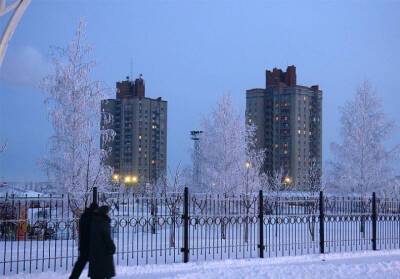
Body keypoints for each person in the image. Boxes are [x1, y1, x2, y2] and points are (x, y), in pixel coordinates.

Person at [69, 202, 98, 279]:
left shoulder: (84, 216)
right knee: (95, 264)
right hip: (90, 246)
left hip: (83, 245)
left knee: (80, 264)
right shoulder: (92, 218)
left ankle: (73, 277)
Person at [89, 205, 116, 279]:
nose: (108, 214)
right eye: (108, 212)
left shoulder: (94, 221)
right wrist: (112, 247)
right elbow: (106, 236)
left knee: (97, 274)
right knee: (104, 272)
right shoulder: (103, 222)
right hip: (104, 253)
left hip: (95, 253)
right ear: (104, 213)